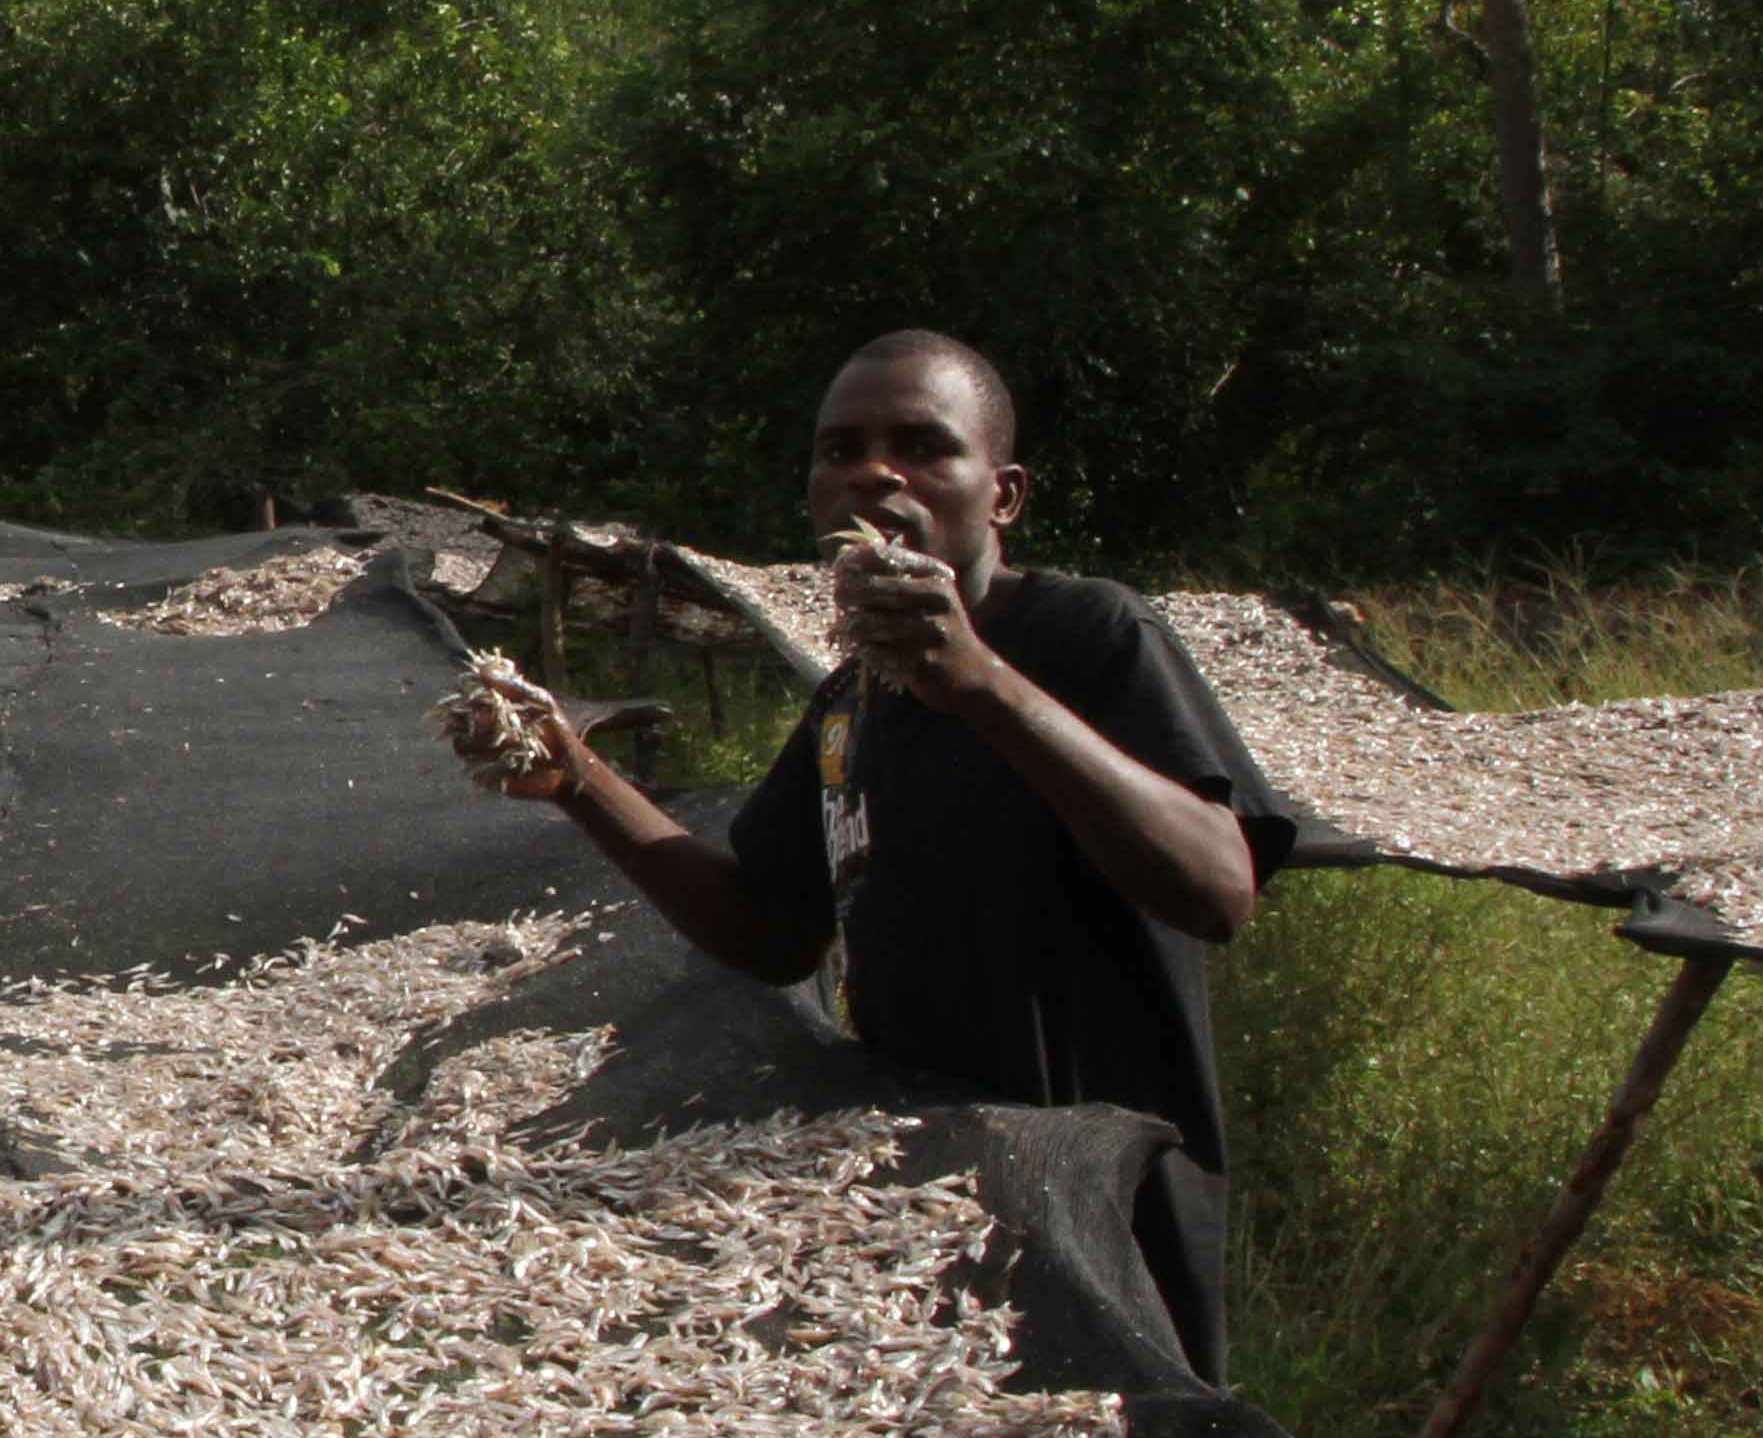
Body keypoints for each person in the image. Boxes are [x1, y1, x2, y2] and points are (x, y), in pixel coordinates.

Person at [464, 330, 1292, 1376]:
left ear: (1003, 494)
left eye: (923, 445)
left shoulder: (1088, 635)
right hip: (925, 1207)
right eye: (840, 450)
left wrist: (981, 684)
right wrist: (574, 776)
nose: (875, 473)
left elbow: (1217, 889)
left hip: (1105, 1226)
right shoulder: (852, 702)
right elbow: (767, 930)